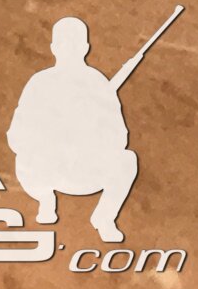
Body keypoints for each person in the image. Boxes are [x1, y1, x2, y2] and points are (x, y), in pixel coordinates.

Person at [9, 15, 143, 243]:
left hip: (86, 169)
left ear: (85, 47)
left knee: (127, 160)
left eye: (74, 43)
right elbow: (16, 135)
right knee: (25, 159)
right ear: (53, 47)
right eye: (63, 43)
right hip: (49, 168)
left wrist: (90, 134)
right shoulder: (39, 83)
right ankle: (45, 200)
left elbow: (119, 137)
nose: (68, 48)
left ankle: (104, 217)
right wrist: (51, 137)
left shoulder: (98, 84)